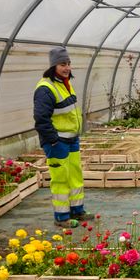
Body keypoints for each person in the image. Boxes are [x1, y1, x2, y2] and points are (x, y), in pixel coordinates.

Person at [33, 47, 93, 228]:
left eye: (68, 64)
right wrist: (53, 141)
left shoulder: (65, 84)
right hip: (57, 142)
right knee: (60, 179)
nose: (67, 68)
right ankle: (61, 217)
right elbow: (41, 119)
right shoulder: (46, 88)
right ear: (53, 66)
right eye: (62, 64)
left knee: (75, 176)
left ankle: (77, 210)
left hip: (71, 139)